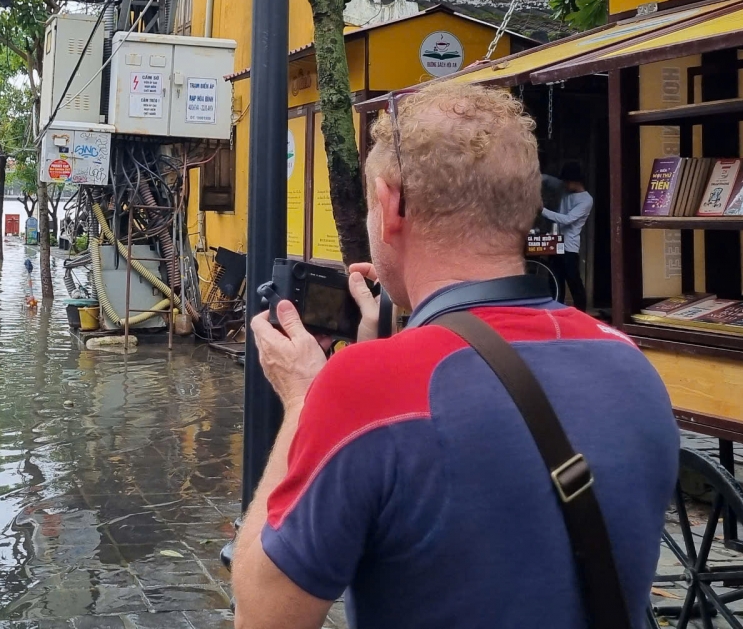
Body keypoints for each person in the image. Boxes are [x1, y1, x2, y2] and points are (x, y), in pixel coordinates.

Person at [233, 83, 678, 629]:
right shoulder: (630, 361)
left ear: (392, 204)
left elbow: (263, 615)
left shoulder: (365, 386)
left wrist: (306, 400)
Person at [543, 160, 594, 309]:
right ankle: (557, 312)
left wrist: (542, 210)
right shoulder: (565, 190)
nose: (564, 184)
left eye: (566, 181)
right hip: (556, 243)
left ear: (574, 181)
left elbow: (567, 219)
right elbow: (546, 179)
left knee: (573, 281)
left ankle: (581, 312)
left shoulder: (586, 200)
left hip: (569, 247)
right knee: (555, 281)